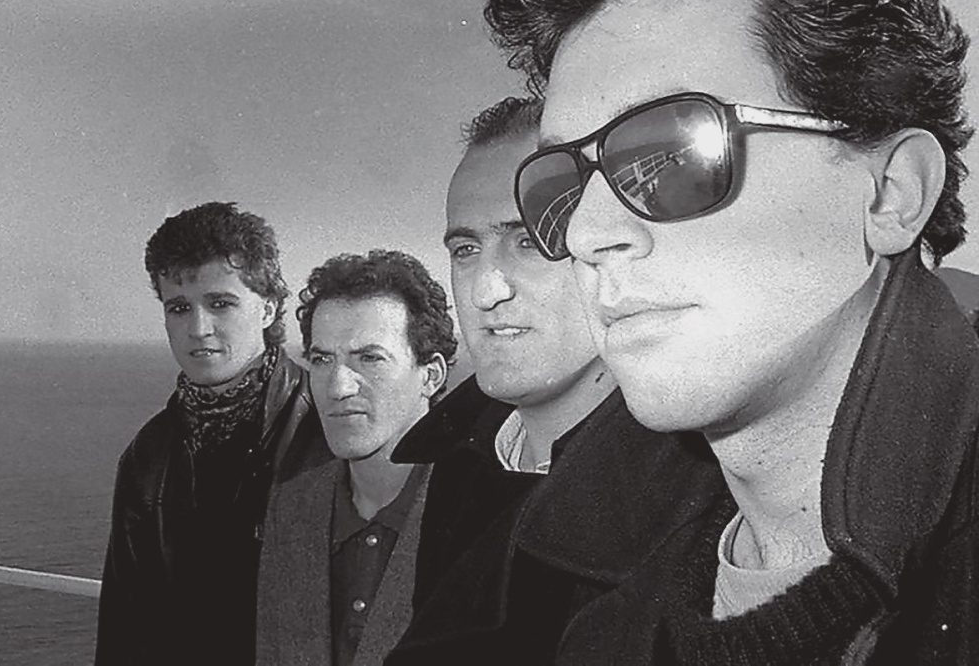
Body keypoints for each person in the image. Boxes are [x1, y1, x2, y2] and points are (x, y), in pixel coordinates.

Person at [484, 0, 979, 663]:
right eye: (561, 183)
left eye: (673, 151)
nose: (585, 232)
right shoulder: (576, 595)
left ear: (891, 193)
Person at [385, 96, 723, 665]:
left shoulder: (698, 501)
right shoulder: (454, 464)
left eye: (529, 240)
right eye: (466, 249)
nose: (485, 291)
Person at [95, 201, 323, 666]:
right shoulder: (148, 454)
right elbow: (123, 627)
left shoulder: (325, 429)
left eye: (220, 303)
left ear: (268, 308)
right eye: (179, 308)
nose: (198, 329)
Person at [255, 249, 455, 666]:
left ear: (431, 375)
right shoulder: (291, 509)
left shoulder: (482, 518)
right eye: (322, 360)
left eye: (370, 358)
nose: (338, 387)